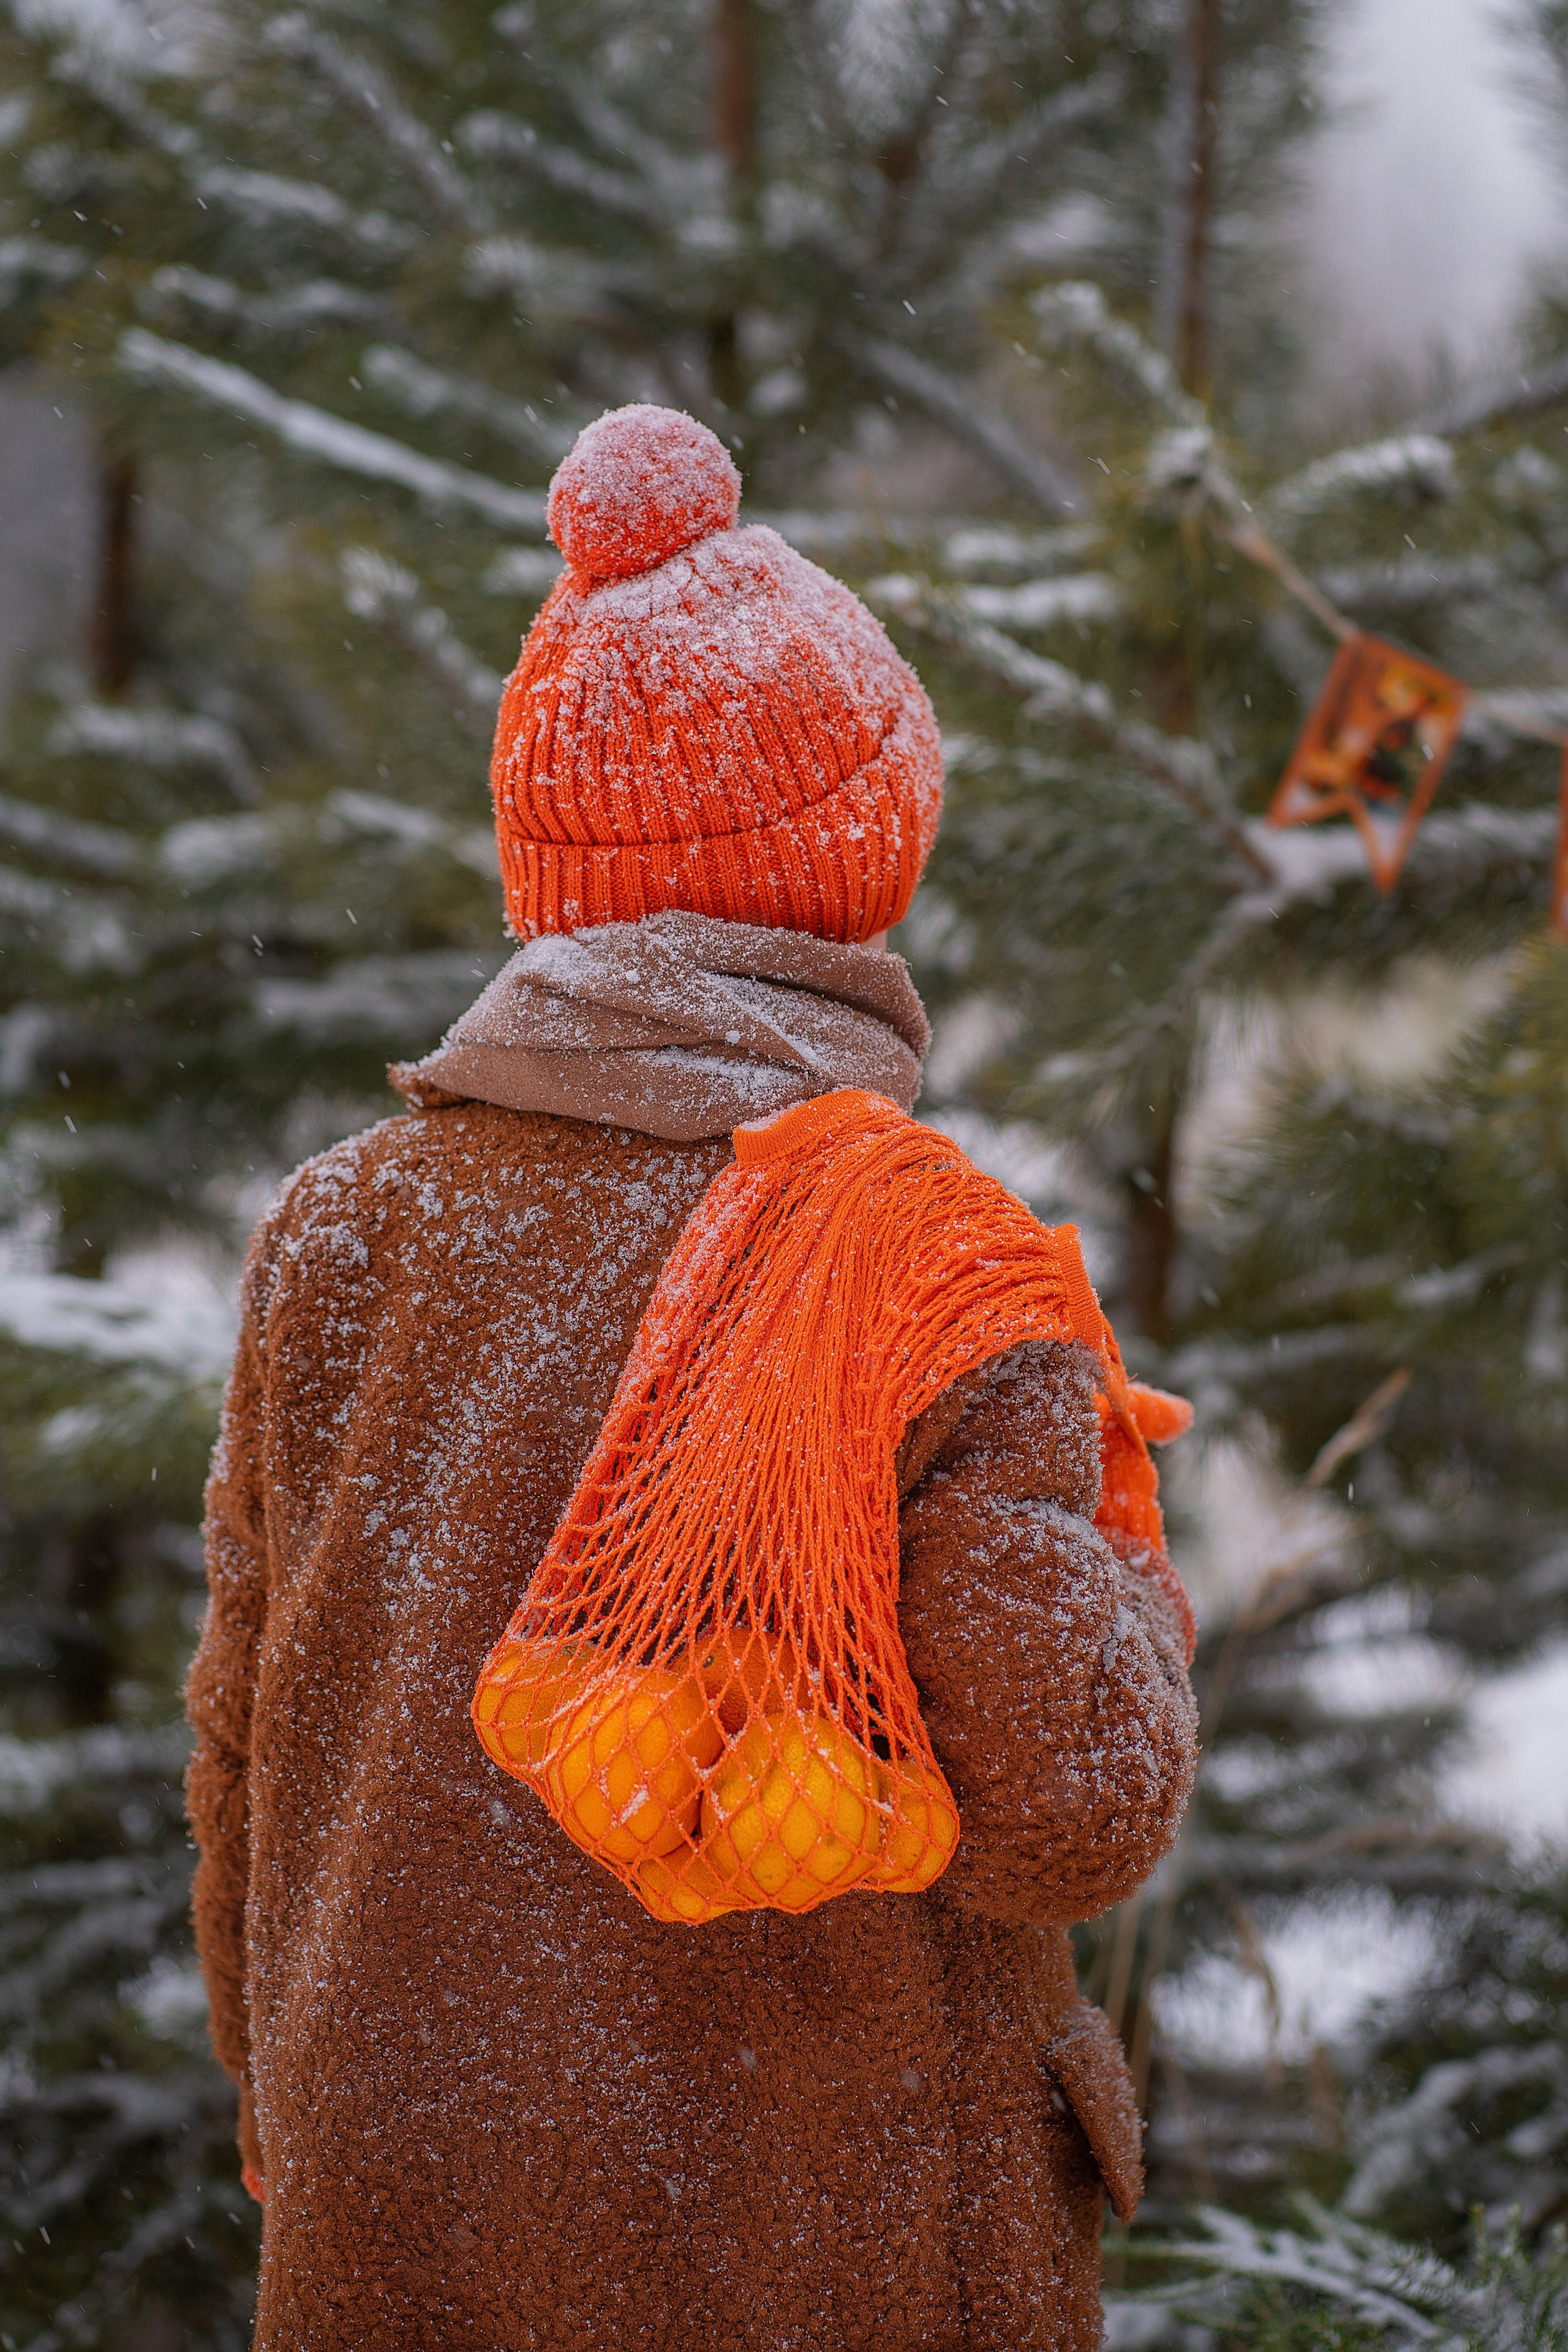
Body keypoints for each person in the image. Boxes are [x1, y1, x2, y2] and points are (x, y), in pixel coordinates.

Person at [187, 403, 1198, 2351]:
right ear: (856, 853)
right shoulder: (922, 1256)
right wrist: (1116, 1565)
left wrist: (313, 2115)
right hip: (815, 2241)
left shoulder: (337, 1233)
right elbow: (1074, 1803)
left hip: (406, 2218)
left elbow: (250, 1746)